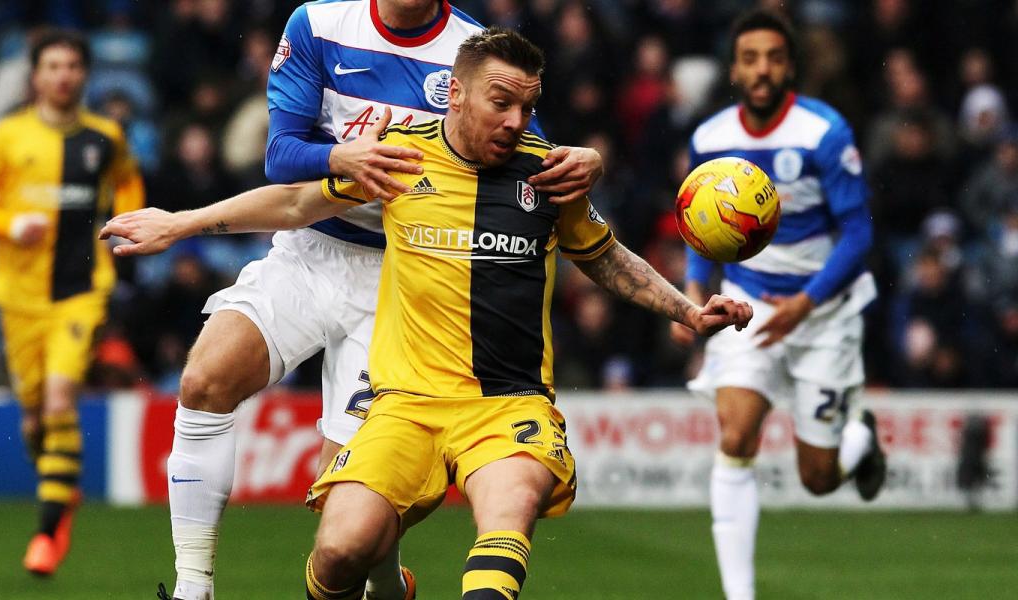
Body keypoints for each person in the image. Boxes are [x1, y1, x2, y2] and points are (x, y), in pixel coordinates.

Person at [104, 27, 752, 600]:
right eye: (502, 103)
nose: (517, 120)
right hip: (405, 398)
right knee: (338, 552)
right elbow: (296, 200)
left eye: (528, 107)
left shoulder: (542, 173)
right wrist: (181, 223)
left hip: (505, 404)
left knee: (508, 510)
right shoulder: (400, 155)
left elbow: (605, 256)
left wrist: (689, 312)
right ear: (456, 95)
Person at [157, 2, 605, 599]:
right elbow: (280, 155)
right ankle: (193, 588)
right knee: (205, 380)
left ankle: (389, 587)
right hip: (312, 246)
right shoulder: (317, 25)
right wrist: (338, 156)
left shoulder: (475, 49)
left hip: (401, 277)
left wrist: (586, 160)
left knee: (347, 511)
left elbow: (526, 164)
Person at [669, 10, 887, 600]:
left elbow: (859, 233)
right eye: (750, 58)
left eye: (772, 57)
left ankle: (859, 441)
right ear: (735, 68)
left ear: (790, 65)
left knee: (817, 479)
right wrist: (693, 295)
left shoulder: (825, 132)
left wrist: (806, 301)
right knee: (735, 435)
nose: (761, 69)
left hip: (824, 309)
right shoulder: (710, 138)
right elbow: (699, 230)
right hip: (749, 305)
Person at [0, 28, 145, 577]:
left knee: (61, 397)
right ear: (36, 76)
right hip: (19, 296)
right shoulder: (6, 137)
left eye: (72, 67)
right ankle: (62, 486)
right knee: (35, 419)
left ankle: (47, 528)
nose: (63, 76)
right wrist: (10, 222)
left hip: (81, 292)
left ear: (85, 74)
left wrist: (124, 226)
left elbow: (129, 183)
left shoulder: (105, 136)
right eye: (53, 66)